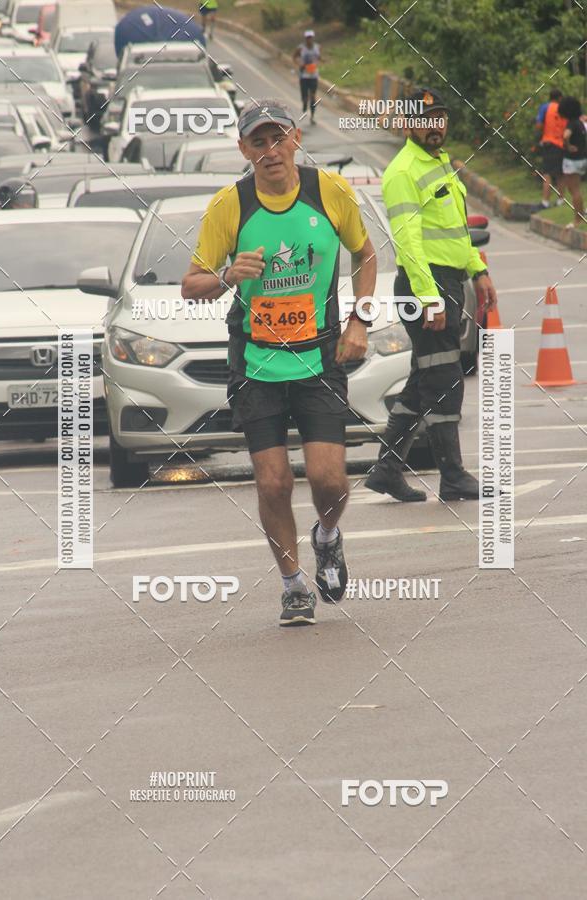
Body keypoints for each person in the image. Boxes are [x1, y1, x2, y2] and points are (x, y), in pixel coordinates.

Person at [182, 100, 376, 626]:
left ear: (295, 138)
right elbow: (191, 284)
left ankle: (328, 537)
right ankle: (292, 584)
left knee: (329, 479)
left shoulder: (329, 191)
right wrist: (226, 276)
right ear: (244, 149)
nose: (270, 152)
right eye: (257, 142)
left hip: (319, 357)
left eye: (278, 139)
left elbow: (367, 253)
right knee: (272, 483)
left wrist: (360, 320)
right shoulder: (230, 205)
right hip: (257, 364)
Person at [365, 87, 498, 503]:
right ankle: (453, 475)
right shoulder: (403, 171)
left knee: (426, 377)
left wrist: (478, 270)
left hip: (448, 280)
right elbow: (408, 241)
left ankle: (386, 470)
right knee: (444, 378)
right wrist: (430, 298)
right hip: (427, 285)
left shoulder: (441, 164)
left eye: (439, 117)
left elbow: (455, 230)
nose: (434, 125)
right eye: (425, 119)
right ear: (408, 124)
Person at [557, 95, 586, 230]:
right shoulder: (580, 122)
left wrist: (568, 146)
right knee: (574, 189)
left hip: (572, 160)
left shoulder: (571, 123)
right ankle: (582, 211)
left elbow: (565, 136)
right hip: (581, 158)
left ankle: (577, 219)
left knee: (574, 190)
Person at [535, 89, 566, 209]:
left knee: (547, 174)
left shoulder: (545, 107)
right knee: (560, 174)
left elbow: (538, 125)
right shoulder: (564, 109)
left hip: (548, 143)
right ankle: (561, 199)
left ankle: (545, 201)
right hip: (561, 144)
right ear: (559, 98)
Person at [293, 30, 321, 125]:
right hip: (304, 76)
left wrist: (318, 62)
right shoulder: (301, 48)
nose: (309, 39)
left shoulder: (317, 47)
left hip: (313, 75)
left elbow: (318, 57)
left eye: (311, 37)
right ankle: (305, 104)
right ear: (305, 39)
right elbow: (294, 57)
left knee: (313, 97)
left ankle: (312, 116)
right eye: (308, 38)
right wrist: (299, 63)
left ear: (313, 38)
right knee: (305, 97)